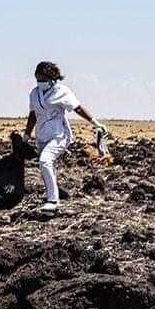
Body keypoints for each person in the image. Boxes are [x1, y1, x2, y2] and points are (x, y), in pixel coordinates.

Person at [23, 62, 107, 213]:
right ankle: (51, 201)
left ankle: (52, 200)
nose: (40, 83)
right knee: (48, 166)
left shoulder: (62, 92)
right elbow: (33, 114)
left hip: (59, 135)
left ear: (51, 78)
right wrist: (27, 134)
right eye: (38, 80)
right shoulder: (34, 94)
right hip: (42, 136)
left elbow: (78, 108)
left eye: (43, 80)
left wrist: (95, 123)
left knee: (45, 161)